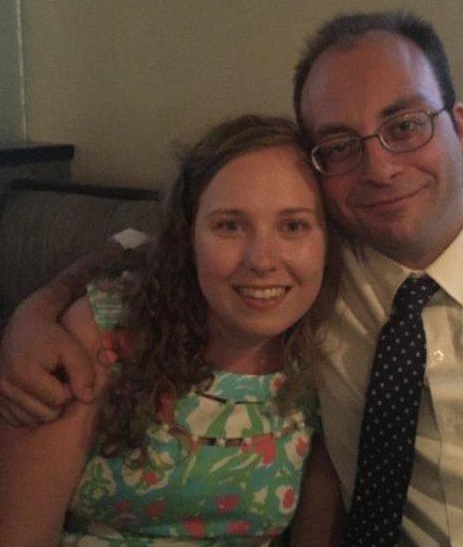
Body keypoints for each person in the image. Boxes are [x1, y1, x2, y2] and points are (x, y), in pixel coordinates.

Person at [3, 10, 463, 546]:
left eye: (405, 126)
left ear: (461, 127)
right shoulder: (319, 285)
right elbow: (150, 246)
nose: (379, 169)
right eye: (340, 145)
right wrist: (37, 312)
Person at [0, 114, 343, 546]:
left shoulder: (323, 359)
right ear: (189, 239)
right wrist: (36, 311)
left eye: (293, 226)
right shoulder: (100, 334)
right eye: (229, 225)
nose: (261, 259)